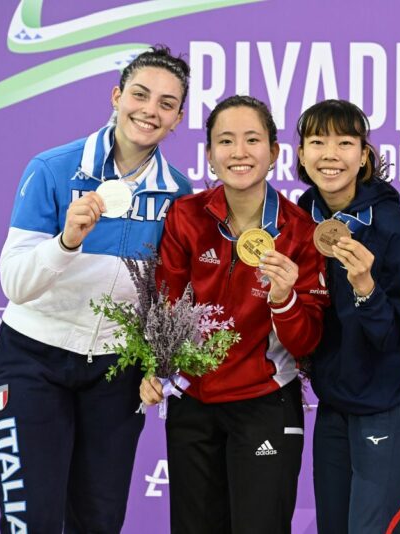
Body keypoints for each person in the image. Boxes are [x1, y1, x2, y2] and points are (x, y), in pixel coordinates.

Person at [0, 45, 192, 533]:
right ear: (116, 96)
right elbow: (16, 284)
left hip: (113, 375)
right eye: (140, 95)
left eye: (166, 104)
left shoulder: (180, 196)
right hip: (33, 360)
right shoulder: (54, 168)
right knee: (28, 522)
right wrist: (66, 242)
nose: (150, 110)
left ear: (178, 119)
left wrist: (160, 368)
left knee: (98, 522)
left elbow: (172, 299)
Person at [139, 95, 329, 534]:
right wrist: (155, 365)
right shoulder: (186, 216)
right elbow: (165, 304)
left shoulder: (300, 232)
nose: (239, 152)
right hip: (193, 403)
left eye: (252, 139)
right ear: (209, 154)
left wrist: (284, 298)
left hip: (264, 403)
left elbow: (306, 343)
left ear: (274, 152)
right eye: (225, 141)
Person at [295, 99, 400, 534]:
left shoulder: (391, 226)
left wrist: (366, 287)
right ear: (300, 154)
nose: (330, 154)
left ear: (365, 155)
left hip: (386, 401)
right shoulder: (300, 216)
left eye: (345, 142)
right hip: (334, 402)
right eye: (317, 142)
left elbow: (392, 335)